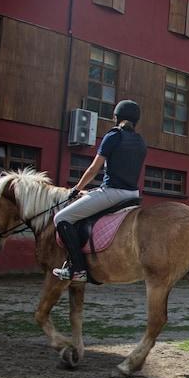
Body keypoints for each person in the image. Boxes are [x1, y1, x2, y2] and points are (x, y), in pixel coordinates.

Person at [52, 100, 147, 282]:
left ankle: (77, 269)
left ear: (116, 117)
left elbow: (93, 169)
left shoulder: (113, 136)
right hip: (133, 195)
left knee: (61, 218)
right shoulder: (141, 141)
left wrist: (76, 189)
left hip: (112, 193)